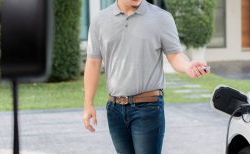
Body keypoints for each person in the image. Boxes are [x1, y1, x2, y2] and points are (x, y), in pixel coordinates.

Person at [83, 0, 210, 153]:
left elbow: (175, 55)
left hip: (148, 107)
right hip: (115, 108)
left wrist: (187, 66)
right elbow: (93, 63)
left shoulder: (161, 18)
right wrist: (88, 103)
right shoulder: (100, 20)